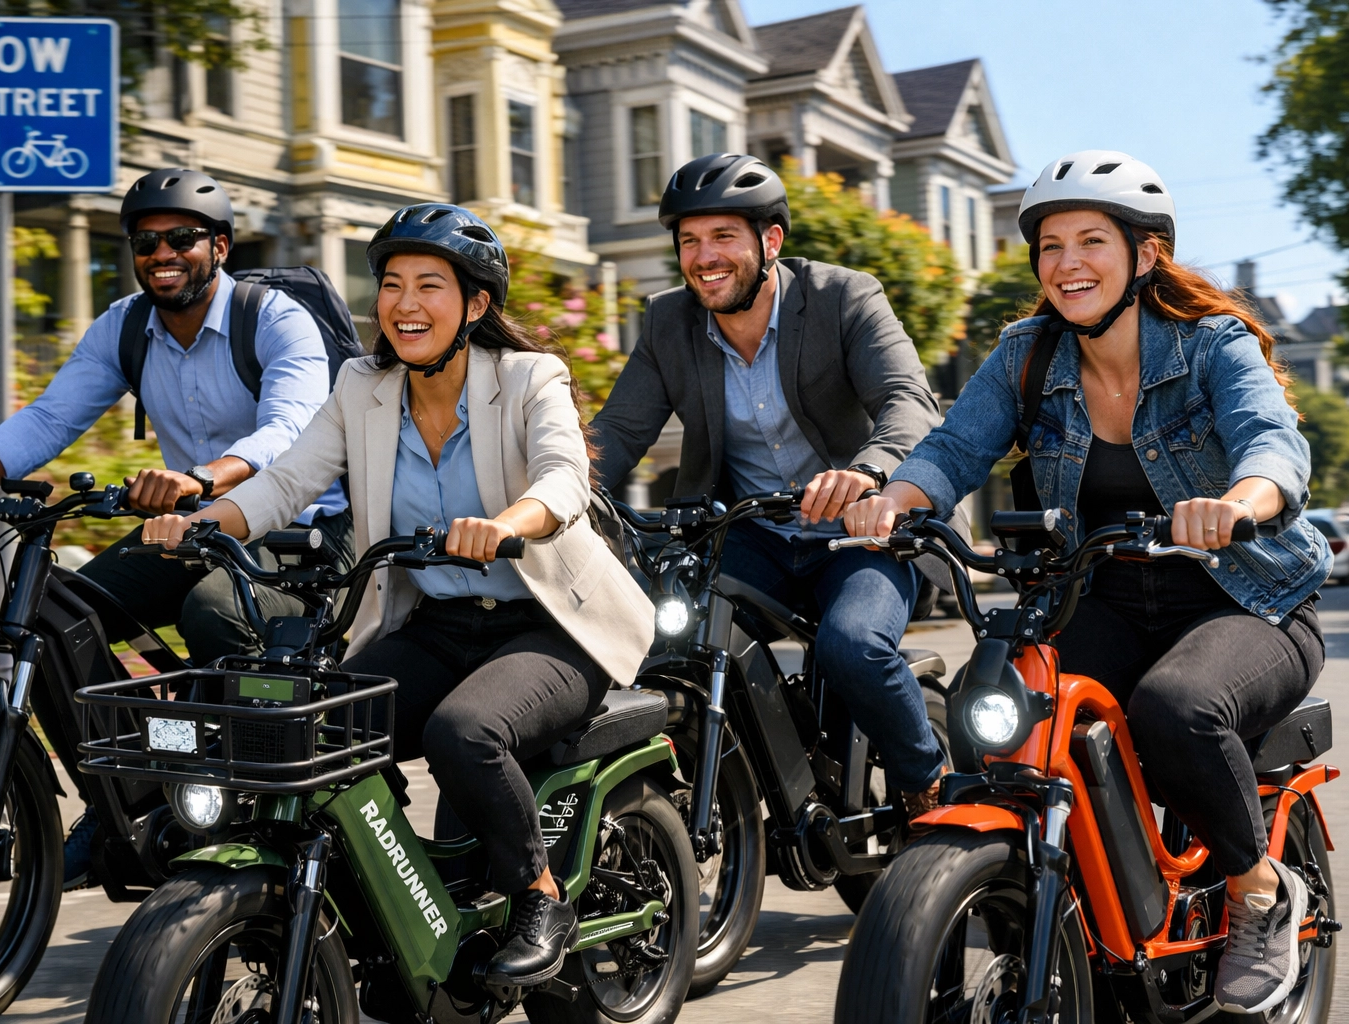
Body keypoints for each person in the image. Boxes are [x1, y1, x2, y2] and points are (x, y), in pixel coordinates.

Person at [844, 150, 1330, 1016]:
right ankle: (1048, 898)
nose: (1067, 263)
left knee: (1176, 708)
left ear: (1144, 257)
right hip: (1100, 593)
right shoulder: (1027, 355)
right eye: (1050, 245)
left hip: (1244, 598)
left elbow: (1272, 444)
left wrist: (1237, 503)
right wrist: (897, 500)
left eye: (1091, 241)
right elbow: (956, 448)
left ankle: (1259, 892)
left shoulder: (1211, 344)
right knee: (991, 710)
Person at [142, 203, 654, 988]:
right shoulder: (363, 384)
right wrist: (205, 521)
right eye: (390, 284)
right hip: (439, 623)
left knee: (463, 732)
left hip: (551, 627)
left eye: (429, 286)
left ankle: (538, 893)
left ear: (476, 304)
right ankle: (378, 899)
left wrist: (504, 523)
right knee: (315, 730)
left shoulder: (527, 377)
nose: (404, 304)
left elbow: (563, 479)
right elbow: (289, 479)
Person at [0, 167, 352, 888]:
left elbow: (292, 431)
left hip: (305, 529)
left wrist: (203, 477)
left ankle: (253, 810)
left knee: (215, 612)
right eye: (145, 240)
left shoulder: (275, 319)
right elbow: (50, 416)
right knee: (55, 617)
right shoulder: (126, 326)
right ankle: (123, 801)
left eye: (183, 238)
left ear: (220, 246)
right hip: (191, 524)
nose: (162, 252)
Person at [590, 152, 959, 818]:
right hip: (751, 535)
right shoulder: (669, 323)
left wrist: (868, 472)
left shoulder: (844, 296)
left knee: (853, 647)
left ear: (771, 241)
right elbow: (614, 437)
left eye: (724, 236)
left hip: (862, 534)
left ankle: (924, 777)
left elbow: (909, 401)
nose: (705, 256)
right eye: (690, 241)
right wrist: (554, 497)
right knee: (663, 639)